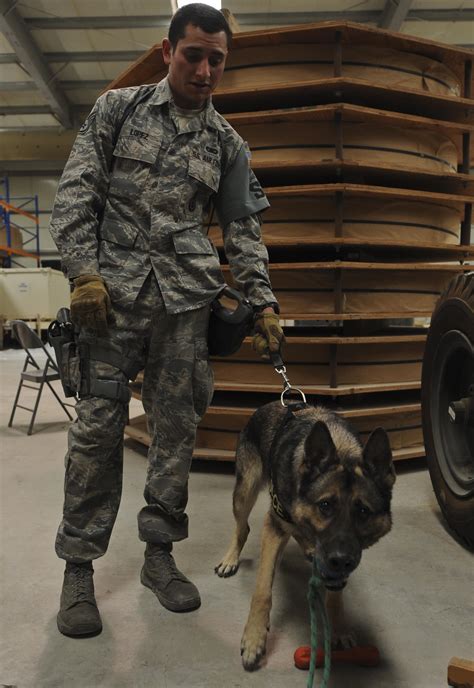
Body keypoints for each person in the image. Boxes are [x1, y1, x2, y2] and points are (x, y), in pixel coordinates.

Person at [50, 2, 284, 638]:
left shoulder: (226, 144)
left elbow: (243, 231)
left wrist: (262, 302)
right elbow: (76, 192)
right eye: (194, 55)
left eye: (217, 60)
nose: (205, 69)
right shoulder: (116, 111)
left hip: (185, 309)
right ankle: (78, 569)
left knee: (176, 434)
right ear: (167, 50)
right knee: (97, 436)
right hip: (110, 307)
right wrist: (84, 273)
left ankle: (160, 556)